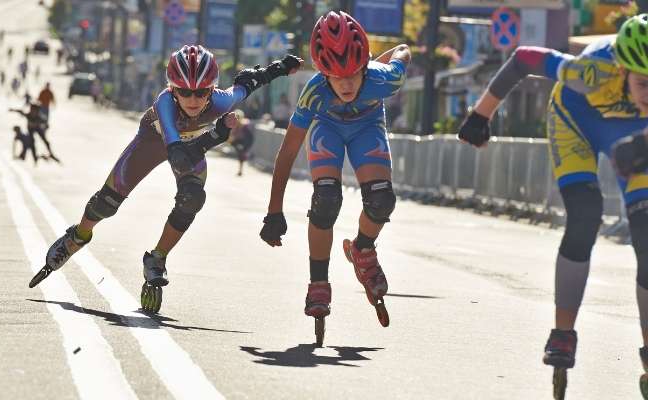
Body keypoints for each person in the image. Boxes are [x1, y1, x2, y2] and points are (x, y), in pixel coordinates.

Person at [456, 14, 648, 395]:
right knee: (584, 216)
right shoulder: (590, 70)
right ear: (624, 69)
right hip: (575, 119)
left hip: (633, 131)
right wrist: (481, 114)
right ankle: (563, 333)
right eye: (644, 83)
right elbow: (524, 59)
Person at [27, 44, 302, 308]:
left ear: (212, 88)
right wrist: (216, 135)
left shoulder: (222, 100)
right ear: (172, 88)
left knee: (192, 198)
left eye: (201, 92)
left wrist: (281, 67)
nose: (193, 99)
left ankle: (157, 258)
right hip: (155, 143)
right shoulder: (165, 103)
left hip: (189, 147)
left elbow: (250, 81)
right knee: (107, 203)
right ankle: (78, 235)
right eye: (184, 91)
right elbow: (177, 153)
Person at [260, 11, 409, 329]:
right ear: (322, 72)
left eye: (354, 74)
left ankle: (363, 250)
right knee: (326, 200)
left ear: (365, 65)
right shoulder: (314, 92)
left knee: (382, 200)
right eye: (336, 76)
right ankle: (318, 284)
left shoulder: (385, 78)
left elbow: (404, 50)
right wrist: (274, 211)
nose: (346, 84)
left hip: (367, 128)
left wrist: (384, 60)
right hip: (327, 128)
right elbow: (287, 153)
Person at [229, 109, 253, 176]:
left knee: (241, 154)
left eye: (238, 117)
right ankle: (240, 169)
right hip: (237, 142)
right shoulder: (234, 124)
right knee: (240, 154)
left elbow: (249, 137)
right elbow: (232, 135)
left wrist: (246, 146)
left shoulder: (245, 125)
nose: (237, 119)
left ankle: (240, 170)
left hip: (244, 142)